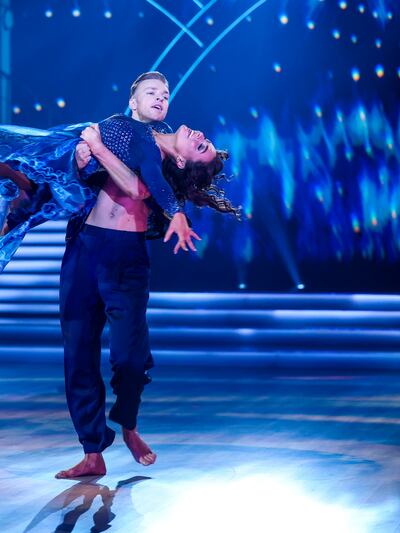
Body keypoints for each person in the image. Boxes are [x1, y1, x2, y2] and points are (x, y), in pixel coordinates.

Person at [0, 72, 231, 358]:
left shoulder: (150, 146)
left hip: (54, 160)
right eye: (154, 93)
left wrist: (176, 212)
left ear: (181, 160)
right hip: (50, 181)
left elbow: (148, 184)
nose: (160, 98)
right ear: (132, 102)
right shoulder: (152, 131)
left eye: (164, 96)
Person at [55, 121, 239, 479]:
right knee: (77, 352)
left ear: (184, 164)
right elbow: (83, 166)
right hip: (84, 247)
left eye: (202, 147)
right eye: (205, 138)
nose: (201, 136)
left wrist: (178, 214)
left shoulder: (160, 171)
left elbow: (140, 188)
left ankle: (128, 425)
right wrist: (83, 153)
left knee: (129, 358)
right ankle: (92, 450)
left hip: (125, 259)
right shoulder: (142, 132)